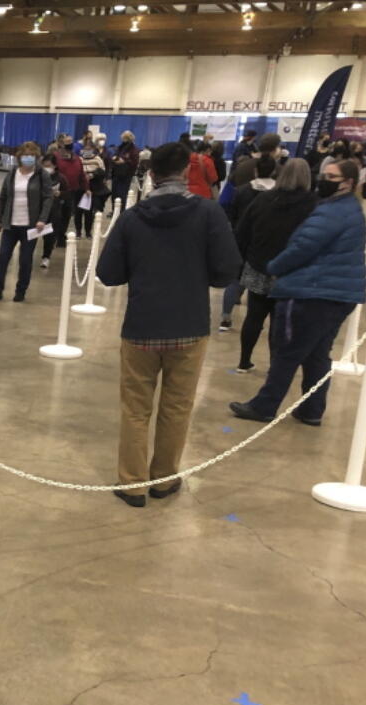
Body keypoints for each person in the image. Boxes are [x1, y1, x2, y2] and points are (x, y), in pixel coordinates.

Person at [96, 141, 241, 508]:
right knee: (177, 407)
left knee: (135, 408)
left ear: (151, 174)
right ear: (187, 171)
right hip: (190, 325)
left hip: (142, 326)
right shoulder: (209, 214)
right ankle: (164, 479)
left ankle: (132, 485)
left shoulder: (132, 217)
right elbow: (226, 272)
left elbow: (108, 273)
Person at [229, 158, 366, 426]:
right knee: (316, 355)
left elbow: (303, 246)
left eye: (331, 176)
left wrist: (275, 267)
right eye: (323, 174)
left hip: (313, 293)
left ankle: (265, 406)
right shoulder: (349, 209)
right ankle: (311, 409)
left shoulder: (331, 213)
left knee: (287, 351)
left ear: (348, 183)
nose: (324, 180)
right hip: (338, 294)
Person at [227, 158, 317, 373]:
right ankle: (276, 366)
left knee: (254, 317)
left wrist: (243, 261)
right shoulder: (313, 203)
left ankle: (244, 361)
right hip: (292, 271)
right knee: (281, 321)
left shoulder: (263, 200)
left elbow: (242, 232)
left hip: (259, 265)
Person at [0, 141, 52, 303]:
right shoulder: (12, 173)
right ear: (19, 157)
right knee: (2, 257)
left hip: (31, 226)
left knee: (25, 259)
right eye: (25, 156)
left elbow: (48, 198)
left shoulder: (42, 175)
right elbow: (2, 197)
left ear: (36, 158)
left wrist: (42, 219)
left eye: (31, 156)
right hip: (10, 224)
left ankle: (21, 291)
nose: (28, 159)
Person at [218, 155, 277, 333]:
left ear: (255, 170)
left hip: (242, 241)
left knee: (235, 281)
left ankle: (226, 317)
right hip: (268, 244)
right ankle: (257, 321)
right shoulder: (278, 194)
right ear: (274, 171)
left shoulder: (242, 191)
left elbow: (231, 214)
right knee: (262, 286)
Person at [53, 133, 88, 239]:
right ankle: (54, 235)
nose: (69, 144)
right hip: (57, 191)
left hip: (72, 191)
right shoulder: (55, 156)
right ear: (61, 143)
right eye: (67, 142)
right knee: (56, 215)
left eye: (71, 142)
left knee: (67, 215)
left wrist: (87, 188)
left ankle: (61, 235)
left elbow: (82, 174)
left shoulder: (76, 158)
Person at [38, 152, 65, 270]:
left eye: (49, 165)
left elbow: (68, 193)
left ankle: (46, 257)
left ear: (54, 165)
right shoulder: (38, 176)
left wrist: (61, 194)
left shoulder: (61, 178)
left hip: (53, 211)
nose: (47, 168)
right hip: (38, 210)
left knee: (49, 237)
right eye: (45, 165)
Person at [111, 131, 139, 214]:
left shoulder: (134, 149)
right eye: (123, 137)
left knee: (122, 194)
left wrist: (124, 161)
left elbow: (134, 162)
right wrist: (115, 159)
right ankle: (114, 210)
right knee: (114, 193)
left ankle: (121, 211)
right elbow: (115, 156)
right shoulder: (120, 147)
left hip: (126, 175)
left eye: (126, 137)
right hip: (116, 173)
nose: (124, 139)